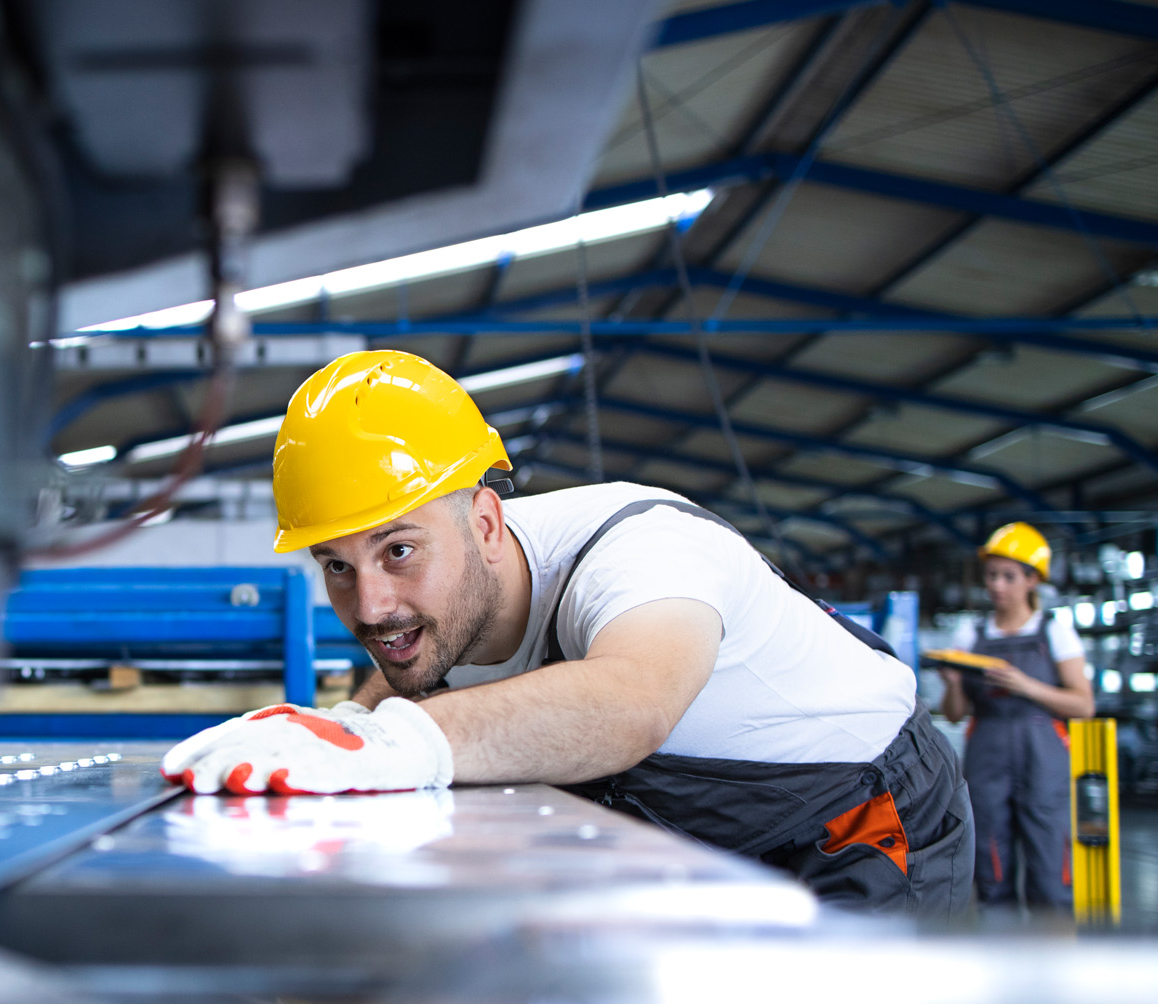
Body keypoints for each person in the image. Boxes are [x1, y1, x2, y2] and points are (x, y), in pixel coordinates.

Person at [162, 350, 974, 914]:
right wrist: (346, 728)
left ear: (485, 522)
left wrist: (396, 742)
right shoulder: (447, 601)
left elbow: (631, 701)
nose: (370, 605)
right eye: (336, 566)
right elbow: (409, 670)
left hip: (862, 819)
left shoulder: (640, 549)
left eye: (398, 550)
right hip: (707, 840)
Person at [937, 524, 1092, 911]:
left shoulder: (1055, 633)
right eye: (992, 575)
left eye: (1008, 576)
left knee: (1050, 875)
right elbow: (955, 715)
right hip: (987, 760)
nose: (997, 585)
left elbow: (1084, 706)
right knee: (991, 873)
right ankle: (1001, 963)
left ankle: (1054, 962)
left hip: (1044, 762)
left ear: (1032, 580)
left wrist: (1026, 686)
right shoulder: (969, 635)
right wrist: (954, 683)